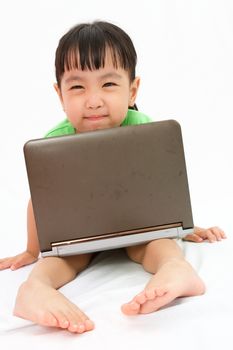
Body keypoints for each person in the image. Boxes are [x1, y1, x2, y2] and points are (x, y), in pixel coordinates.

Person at [0, 21, 226, 334]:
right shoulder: (55, 143)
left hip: (137, 227)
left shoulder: (144, 129)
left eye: (108, 85)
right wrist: (30, 249)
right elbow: (40, 200)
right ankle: (34, 288)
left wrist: (182, 225)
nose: (93, 100)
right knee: (63, 260)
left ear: (132, 90)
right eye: (78, 87)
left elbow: (161, 184)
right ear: (60, 94)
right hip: (80, 238)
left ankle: (176, 270)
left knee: (157, 244)